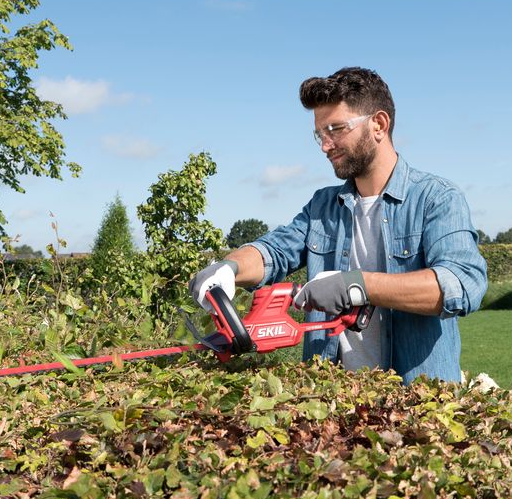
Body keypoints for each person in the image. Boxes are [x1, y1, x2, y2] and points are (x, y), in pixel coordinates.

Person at [189, 67, 487, 384]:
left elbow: (462, 285)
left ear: (379, 125)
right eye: (320, 134)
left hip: (416, 411)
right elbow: (273, 252)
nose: (325, 145)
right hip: (335, 405)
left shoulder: (436, 199)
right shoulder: (323, 206)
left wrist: (356, 285)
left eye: (336, 129)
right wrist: (229, 268)